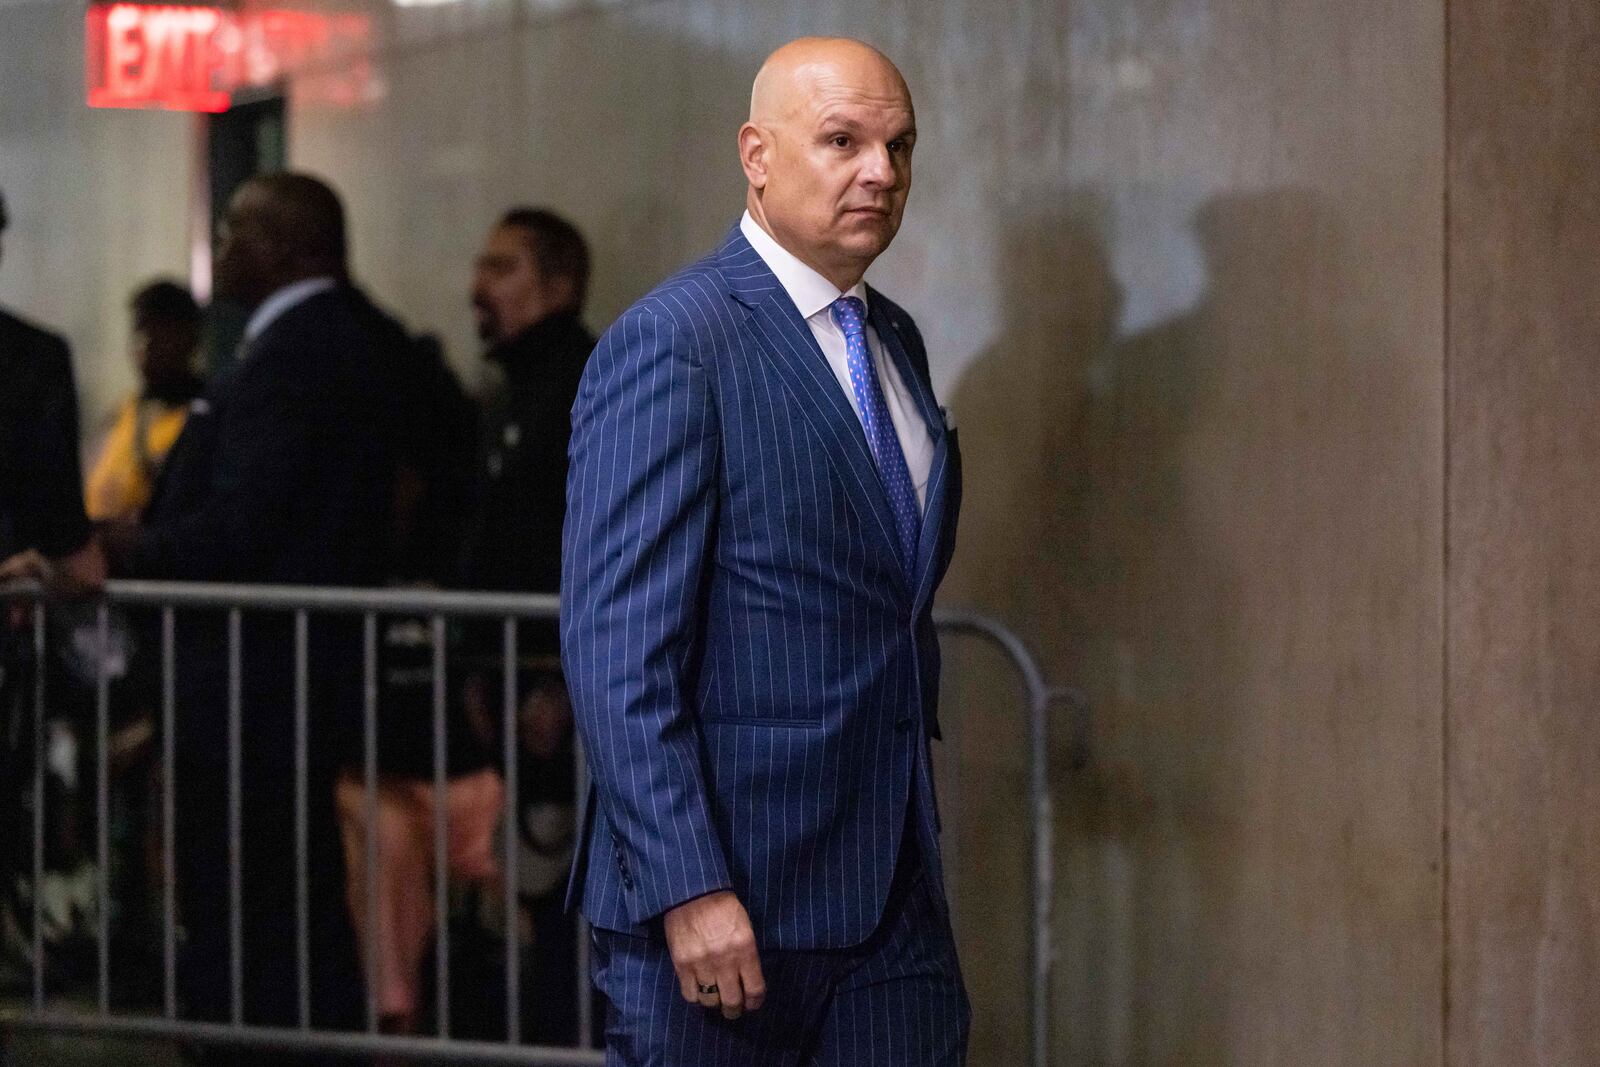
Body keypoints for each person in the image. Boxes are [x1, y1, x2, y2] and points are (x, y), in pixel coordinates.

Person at [561, 37, 968, 1065]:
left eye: (898, 146)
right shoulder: (675, 340)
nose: (881, 171)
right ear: (755, 153)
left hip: (887, 892)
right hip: (722, 896)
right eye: (842, 140)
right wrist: (688, 884)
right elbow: (618, 650)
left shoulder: (896, 342)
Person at [102, 173, 406, 1056]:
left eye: (237, 227)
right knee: (280, 885)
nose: (222, 244)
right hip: (277, 672)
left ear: (284, 244)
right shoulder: (342, 338)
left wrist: (126, 549)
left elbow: (246, 522)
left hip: (259, 678)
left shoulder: (300, 351)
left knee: (255, 890)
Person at [460, 206, 595, 1042]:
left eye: (503, 267)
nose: (480, 287)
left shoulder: (584, 381)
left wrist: (559, 678)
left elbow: (595, 539)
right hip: (513, 675)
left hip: (558, 681)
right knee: (533, 885)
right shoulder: (511, 390)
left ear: (559, 284)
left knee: (568, 893)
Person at [83, 280, 205, 524]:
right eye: (140, 332)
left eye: (161, 333)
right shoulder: (122, 415)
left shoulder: (206, 416)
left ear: (189, 337)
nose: (147, 346)